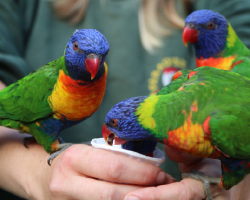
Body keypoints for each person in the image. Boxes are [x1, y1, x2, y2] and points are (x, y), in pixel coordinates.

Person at [1, 0, 250, 199]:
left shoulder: (222, 15)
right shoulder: (52, 83)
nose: (95, 65)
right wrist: (36, 173)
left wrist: (236, 186)